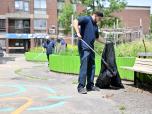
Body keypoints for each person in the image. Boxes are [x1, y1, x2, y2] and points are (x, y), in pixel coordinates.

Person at [73, 11, 104, 94]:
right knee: (84, 66)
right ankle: (80, 86)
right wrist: (78, 33)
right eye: (99, 18)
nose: (99, 20)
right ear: (95, 15)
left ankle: (90, 85)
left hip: (91, 48)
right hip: (84, 46)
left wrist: (106, 42)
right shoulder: (86, 19)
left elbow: (97, 37)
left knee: (92, 66)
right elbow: (75, 21)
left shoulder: (95, 26)